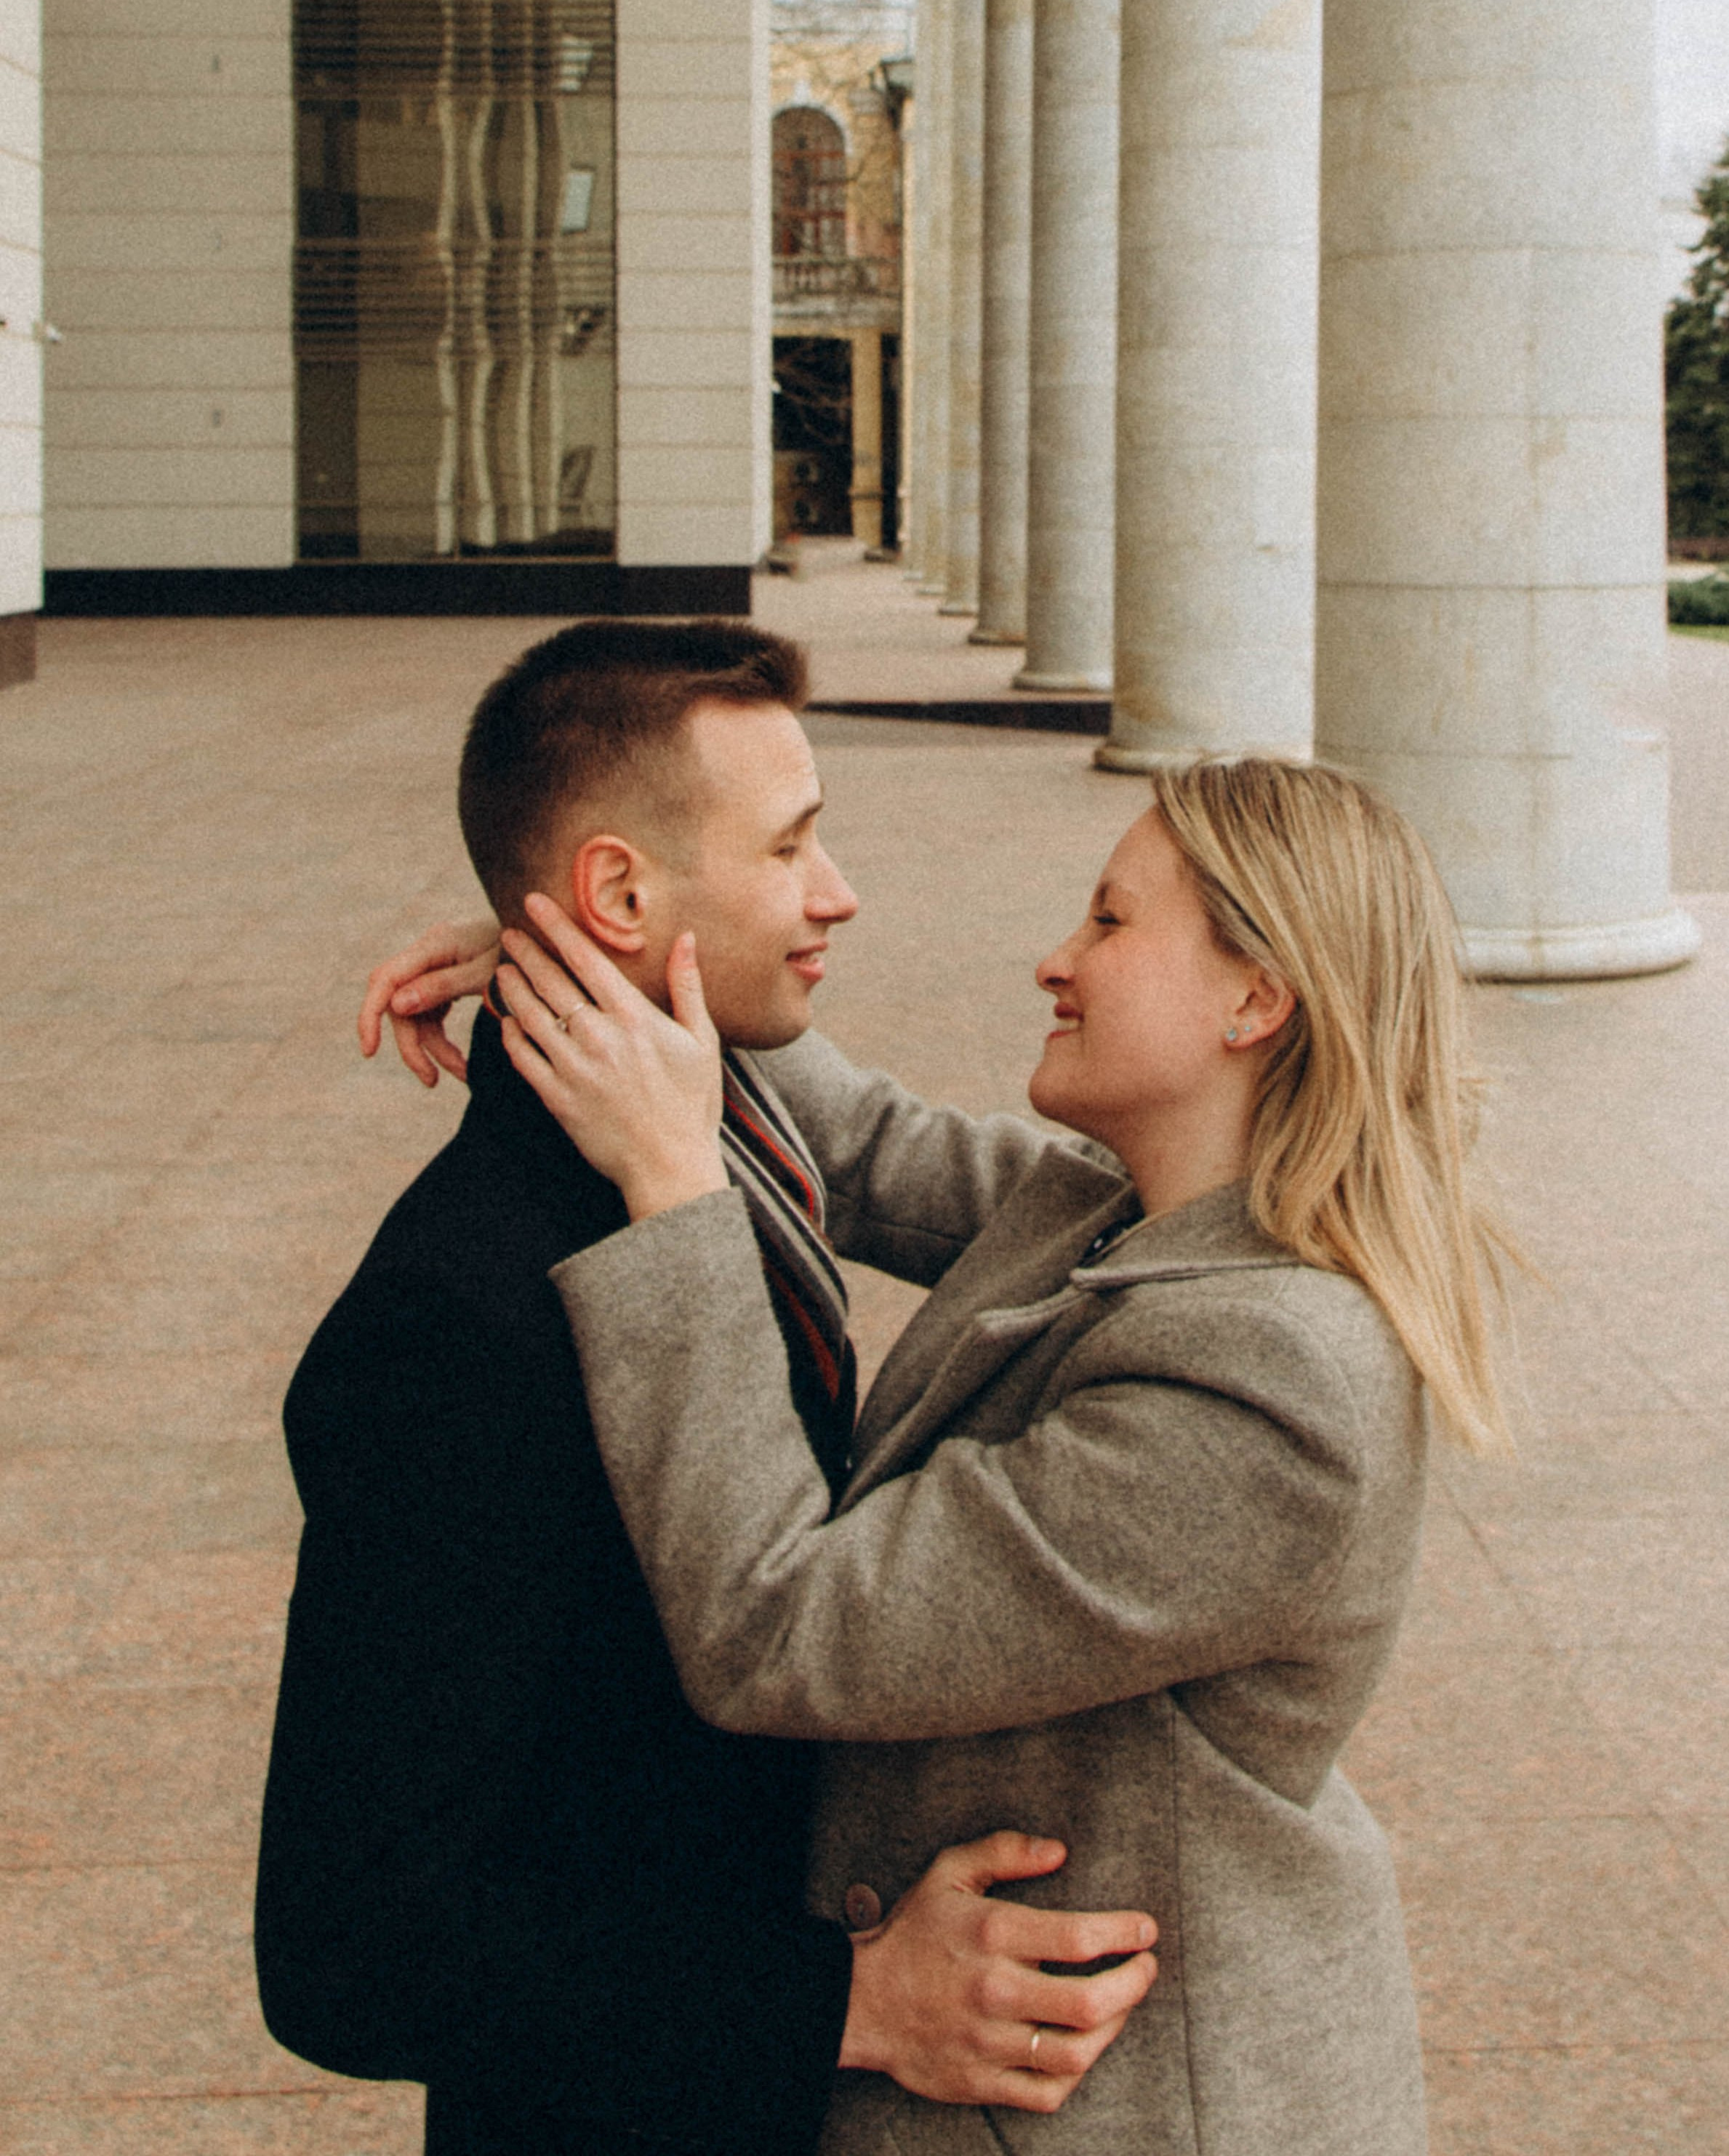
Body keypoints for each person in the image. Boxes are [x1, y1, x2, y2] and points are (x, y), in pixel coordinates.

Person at [409, 752, 1518, 2156]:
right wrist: (608, 963)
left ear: (1258, 997)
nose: (1056, 958)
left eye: (1111, 924)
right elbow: (866, 1147)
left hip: (1125, 2105)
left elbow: (781, 1624)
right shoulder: (1129, 1207)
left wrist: (674, 1192)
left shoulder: (1268, 1388)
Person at [256, 619, 1158, 2156]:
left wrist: (569, 962)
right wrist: (847, 2001)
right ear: (621, 891)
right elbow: (352, 1949)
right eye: (793, 844)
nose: (838, 891)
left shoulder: (705, 1143)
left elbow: (908, 1162)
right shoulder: (461, 1318)